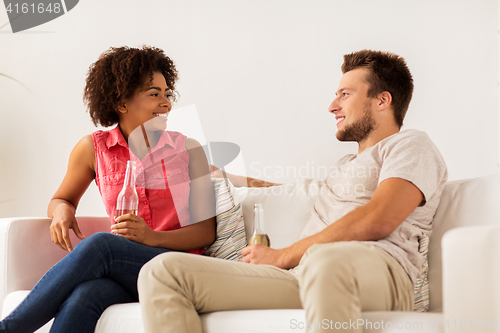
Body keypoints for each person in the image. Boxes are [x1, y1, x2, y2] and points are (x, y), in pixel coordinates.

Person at [137, 49, 448, 333]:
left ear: (382, 100)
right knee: (163, 272)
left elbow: (379, 218)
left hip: (380, 272)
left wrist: (283, 255)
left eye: (344, 94)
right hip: (306, 275)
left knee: (326, 262)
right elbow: (293, 190)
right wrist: (227, 177)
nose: (332, 106)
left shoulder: (410, 145)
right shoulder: (342, 168)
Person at [0, 46, 216, 333]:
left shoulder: (188, 150)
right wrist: (62, 210)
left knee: (102, 246)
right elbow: (61, 198)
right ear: (121, 102)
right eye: (154, 94)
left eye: (167, 93)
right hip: (130, 273)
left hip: (181, 269)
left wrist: (150, 237)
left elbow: (205, 232)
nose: (166, 103)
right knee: (84, 297)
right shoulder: (93, 148)